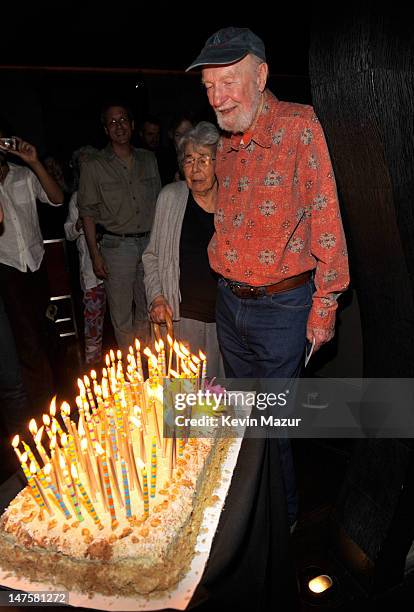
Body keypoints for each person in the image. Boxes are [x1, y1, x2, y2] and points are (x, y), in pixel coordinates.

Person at [187, 27, 350, 527]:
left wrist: (325, 307)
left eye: (228, 82)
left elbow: (327, 221)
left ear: (260, 75)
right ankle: (253, 512)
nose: (217, 97)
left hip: (282, 309)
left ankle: (284, 522)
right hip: (229, 304)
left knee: (271, 424)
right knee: (241, 418)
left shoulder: (300, 127)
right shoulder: (227, 143)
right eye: (209, 86)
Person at [78, 101, 162, 355]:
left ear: (132, 124)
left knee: (148, 307)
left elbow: (160, 202)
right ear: (105, 129)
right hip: (117, 248)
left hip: (149, 244)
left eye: (123, 120)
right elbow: (87, 213)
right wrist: (95, 254)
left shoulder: (148, 159)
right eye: (112, 122)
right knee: (122, 314)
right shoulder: (93, 165)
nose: (119, 126)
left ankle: (146, 365)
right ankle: (130, 371)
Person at [143, 121, 223, 377]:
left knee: (222, 402)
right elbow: (151, 255)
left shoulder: (234, 201)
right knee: (184, 400)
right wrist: (156, 297)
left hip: (228, 322)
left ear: (219, 162)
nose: (195, 169)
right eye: (189, 160)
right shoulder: (170, 197)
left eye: (204, 159)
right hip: (182, 318)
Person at [0, 128, 64, 416]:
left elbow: (57, 199)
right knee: (27, 345)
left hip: (36, 267)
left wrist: (35, 161)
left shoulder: (23, 175)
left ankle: (62, 404)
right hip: (7, 270)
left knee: (50, 335)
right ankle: (43, 415)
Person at [64, 146, 106, 366]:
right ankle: (93, 370)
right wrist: (81, 224)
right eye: (82, 163)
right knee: (93, 323)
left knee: (119, 321)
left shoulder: (107, 189)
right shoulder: (77, 198)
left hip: (116, 266)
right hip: (91, 274)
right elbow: (68, 232)